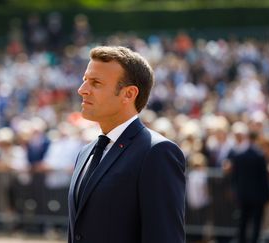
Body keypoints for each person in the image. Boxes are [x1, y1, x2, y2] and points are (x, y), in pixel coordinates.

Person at [68, 46, 186, 243]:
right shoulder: (86, 152)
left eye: (95, 83)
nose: (82, 90)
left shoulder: (157, 152)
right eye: (84, 81)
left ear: (129, 94)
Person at [226, 123, 269, 243]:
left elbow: (234, 176)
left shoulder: (239, 155)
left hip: (243, 194)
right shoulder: (259, 155)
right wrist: (267, 195)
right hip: (257, 195)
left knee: (243, 220)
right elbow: (263, 177)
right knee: (256, 222)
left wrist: (235, 190)